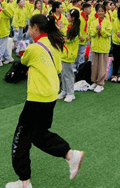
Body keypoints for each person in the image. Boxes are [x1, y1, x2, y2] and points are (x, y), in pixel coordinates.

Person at [6, 14, 84, 188]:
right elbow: (57, 67)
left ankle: (24, 182)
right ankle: (70, 154)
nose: (28, 30)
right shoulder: (55, 44)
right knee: (39, 135)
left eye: (29, 27)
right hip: (50, 96)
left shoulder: (34, 48)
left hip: (37, 98)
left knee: (21, 139)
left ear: (35, 27)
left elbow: (24, 62)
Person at [88, 3, 112, 93]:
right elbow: (91, 33)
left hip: (104, 47)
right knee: (94, 65)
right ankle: (94, 81)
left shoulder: (108, 22)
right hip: (95, 46)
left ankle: (100, 83)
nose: (100, 13)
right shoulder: (94, 22)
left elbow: (108, 34)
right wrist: (96, 29)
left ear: (105, 12)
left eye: (102, 11)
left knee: (102, 65)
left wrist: (101, 30)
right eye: (98, 11)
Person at [58, 9, 79, 102]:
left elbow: (68, 38)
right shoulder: (69, 26)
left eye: (69, 15)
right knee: (63, 74)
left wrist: (62, 28)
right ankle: (65, 90)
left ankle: (71, 93)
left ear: (73, 18)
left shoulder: (75, 28)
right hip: (64, 54)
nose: (67, 17)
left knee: (69, 74)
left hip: (69, 55)